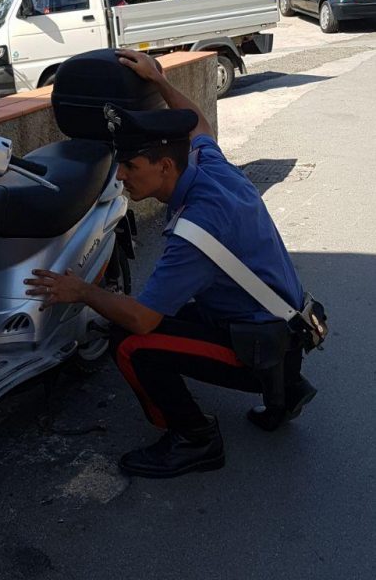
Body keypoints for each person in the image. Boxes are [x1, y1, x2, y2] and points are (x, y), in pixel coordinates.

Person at [25, 49, 314, 479]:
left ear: (164, 166)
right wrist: (158, 81)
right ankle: (285, 391)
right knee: (168, 312)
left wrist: (81, 291)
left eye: (130, 165)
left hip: (260, 345)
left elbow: (142, 320)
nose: (121, 175)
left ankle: (195, 439)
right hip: (286, 327)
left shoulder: (196, 230)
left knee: (130, 342)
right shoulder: (208, 167)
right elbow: (198, 122)